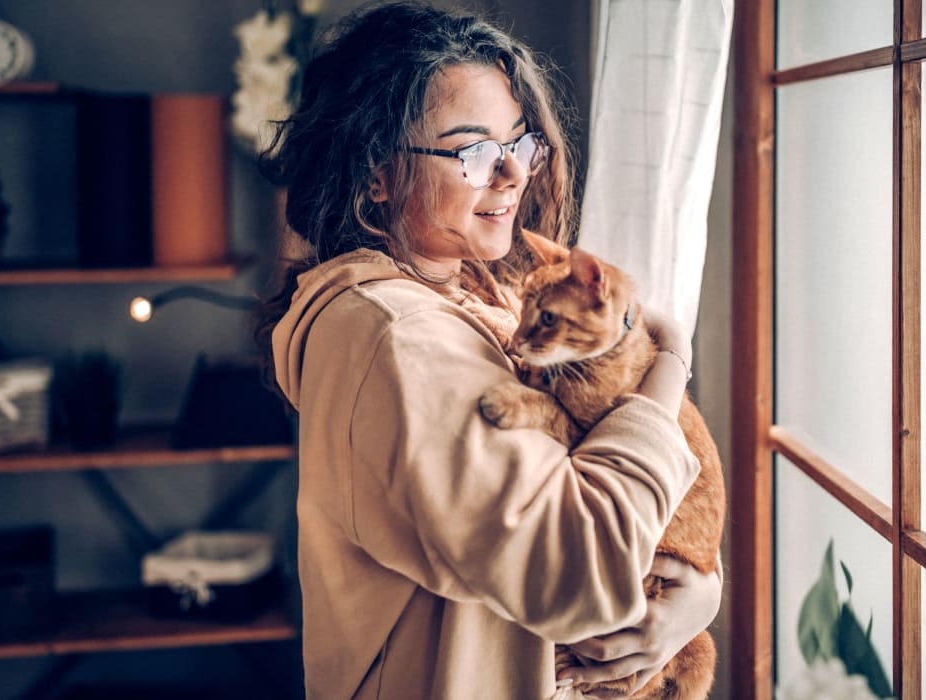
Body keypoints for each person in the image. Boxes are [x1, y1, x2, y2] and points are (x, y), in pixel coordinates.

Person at [255, 2, 722, 698]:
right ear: (376, 172)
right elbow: (585, 574)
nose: (512, 174)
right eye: (472, 149)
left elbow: (611, 502)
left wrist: (698, 598)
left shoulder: (479, 294)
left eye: (520, 143)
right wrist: (670, 360)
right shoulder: (397, 334)